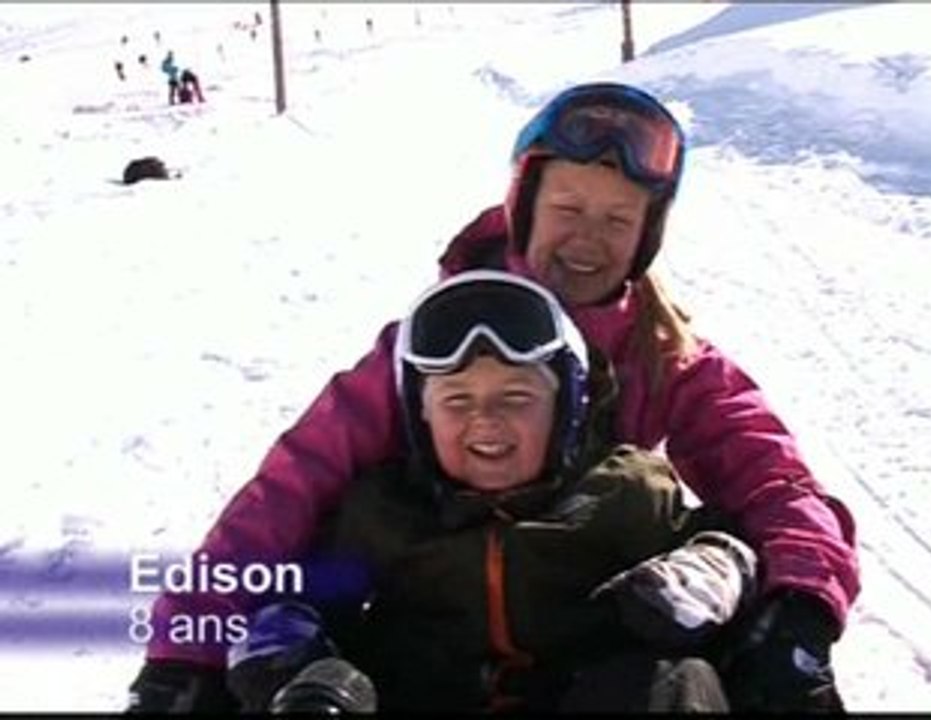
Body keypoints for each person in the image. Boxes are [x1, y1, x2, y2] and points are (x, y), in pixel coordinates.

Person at [130, 82, 857, 712]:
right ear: (524, 208)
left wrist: (798, 610)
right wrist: (182, 657)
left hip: (594, 648)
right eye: (569, 208)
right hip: (432, 643)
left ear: (645, 239)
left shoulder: (663, 357)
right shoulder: (430, 349)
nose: (587, 240)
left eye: (617, 220)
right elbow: (291, 489)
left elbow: (776, 482)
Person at [135, 270, 758, 712]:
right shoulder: (381, 511)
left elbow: (724, 538)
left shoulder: (626, 491)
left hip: (581, 692)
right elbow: (302, 594)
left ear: (566, 408)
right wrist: (295, 652)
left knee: (674, 679)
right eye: (457, 401)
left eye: (517, 398)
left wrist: (713, 565)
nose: (486, 422)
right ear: (420, 416)